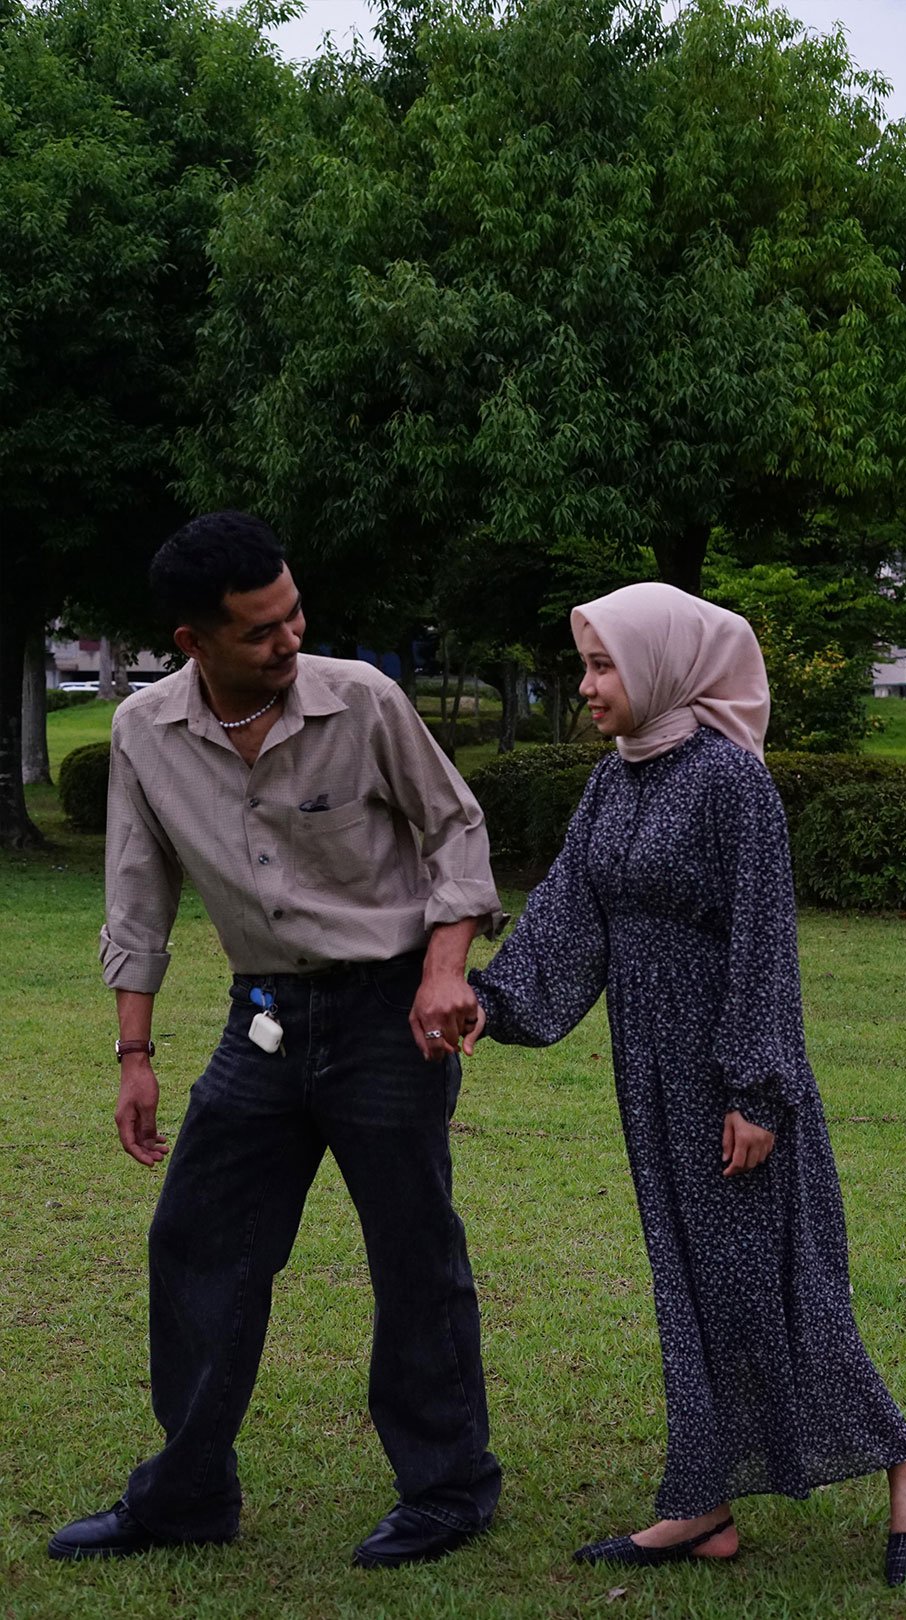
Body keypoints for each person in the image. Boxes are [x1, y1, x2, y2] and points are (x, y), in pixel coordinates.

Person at [464, 582, 906, 1587]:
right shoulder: (617, 780)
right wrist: (490, 999)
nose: (587, 686)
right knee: (690, 1284)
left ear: (661, 666)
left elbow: (764, 942)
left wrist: (758, 1092)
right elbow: (568, 911)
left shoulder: (731, 781)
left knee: (770, 1287)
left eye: (603, 665)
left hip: (729, 1079)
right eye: (586, 666)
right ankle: (702, 1503)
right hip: (650, 1075)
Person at [49, 511, 502, 1569]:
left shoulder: (364, 700)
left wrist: (445, 970)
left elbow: (457, 830)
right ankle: (186, 1496)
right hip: (259, 1020)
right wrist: (133, 1055)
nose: (291, 638)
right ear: (192, 641)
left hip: (388, 1012)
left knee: (413, 1251)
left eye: (293, 614)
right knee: (196, 1241)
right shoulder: (145, 732)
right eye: (260, 630)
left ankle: (448, 1491)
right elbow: (137, 892)